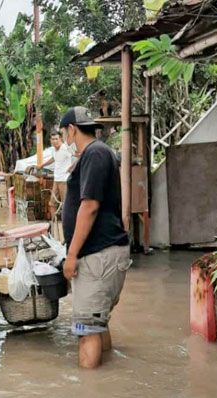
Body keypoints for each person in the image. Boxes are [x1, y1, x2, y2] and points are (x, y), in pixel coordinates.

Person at [59, 106, 131, 369]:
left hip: (98, 256)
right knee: (96, 324)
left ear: (71, 129)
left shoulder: (95, 153)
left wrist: (71, 255)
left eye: (64, 132)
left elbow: (89, 206)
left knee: (87, 330)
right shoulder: (95, 154)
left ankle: (88, 397)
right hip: (103, 254)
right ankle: (104, 386)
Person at [36, 131, 75, 220]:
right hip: (56, 179)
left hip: (64, 180)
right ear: (50, 140)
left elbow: (77, 155)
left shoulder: (65, 148)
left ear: (60, 139)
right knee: (51, 203)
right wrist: (43, 165)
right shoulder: (53, 150)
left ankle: (67, 224)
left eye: (56, 139)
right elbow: (54, 158)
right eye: (53, 139)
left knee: (65, 204)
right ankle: (54, 223)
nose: (54, 141)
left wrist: (72, 167)